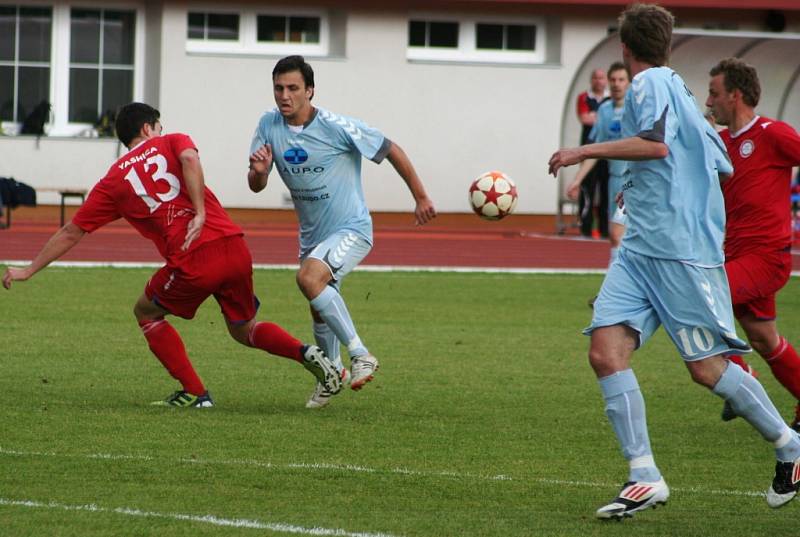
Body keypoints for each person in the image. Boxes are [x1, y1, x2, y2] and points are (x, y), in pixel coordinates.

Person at [548, 3, 800, 519]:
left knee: (707, 369)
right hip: (641, 247)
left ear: (625, 48)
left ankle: (791, 448)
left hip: (678, 253)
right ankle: (644, 475)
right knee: (605, 352)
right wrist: (644, 192)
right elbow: (720, 161)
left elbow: (657, 147)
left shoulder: (650, 85)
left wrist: (582, 153)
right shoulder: (679, 91)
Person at [2, 102, 341, 407]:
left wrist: (29, 270)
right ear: (148, 128)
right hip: (234, 245)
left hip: (194, 259)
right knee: (243, 328)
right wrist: (200, 211)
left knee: (146, 311)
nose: (162, 130)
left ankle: (196, 393)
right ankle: (306, 352)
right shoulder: (172, 140)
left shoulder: (113, 181)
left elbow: (72, 231)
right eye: (159, 126)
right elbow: (190, 157)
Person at [248, 55, 437, 409]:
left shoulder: (338, 126)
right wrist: (260, 171)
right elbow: (256, 185)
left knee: (309, 279)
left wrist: (421, 196)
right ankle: (332, 373)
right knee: (318, 302)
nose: (284, 95)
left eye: (293, 88)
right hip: (313, 236)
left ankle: (360, 354)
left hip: (352, 228)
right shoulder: (268, 125)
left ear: (310, 91)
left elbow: (390, 149)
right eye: (278, 88)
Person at [705, 58, 800, 429]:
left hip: (766, 257)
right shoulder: (721, 142)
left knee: (703, 295)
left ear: (735, 95)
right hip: (736, 255)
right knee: (764, 339)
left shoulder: (772, 133)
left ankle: (741, 382)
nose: (709, 102)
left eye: (714, 93)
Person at [567, 61, 630, 268]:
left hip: (635, 182)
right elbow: (595, 149)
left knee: (619, 234)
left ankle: (617, 287)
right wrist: (577, 180)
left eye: (621, 80)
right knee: (617, 237)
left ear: (628, 83)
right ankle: (619, 286)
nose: (616, 84)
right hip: (614, 181)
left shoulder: (635, 108)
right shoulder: (604, 110)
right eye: (613, 80)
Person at [575, 68, 610, 238]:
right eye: (595, 77)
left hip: (608, 150)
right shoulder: (584, 97)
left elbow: (597, 118)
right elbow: (584, 118)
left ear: (606, 80)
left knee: (606, 189)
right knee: (587, 187)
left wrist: (596, 116)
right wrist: (603, 117)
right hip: (588, 148)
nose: (598, 81)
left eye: (601, 78)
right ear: (591, 80)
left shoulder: (611, 98)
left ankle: (605, 228)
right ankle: (585, 227)